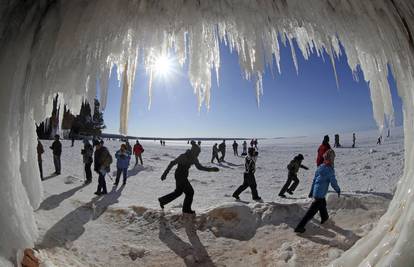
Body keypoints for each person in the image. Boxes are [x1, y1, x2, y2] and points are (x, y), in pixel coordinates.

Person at [158, 143, 219, 214]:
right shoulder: (183, 156)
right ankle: (186, 210)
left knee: (178, 192)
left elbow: (199, 167)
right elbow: (172, 163)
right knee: (190, 192)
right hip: (179, 175)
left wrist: (211, 169)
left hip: (183, 176)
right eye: (198, 152)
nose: (198, 154)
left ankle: (162, 200)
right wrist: (165, 173)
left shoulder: (194, 158)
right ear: (194, 151)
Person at [295, 149, 340, 233]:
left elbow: (314, 180)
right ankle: (299, 227)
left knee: (323, 204)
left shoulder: (320, 167)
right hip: (320, 194)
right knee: (311, 212)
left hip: (317, 192)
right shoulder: (330, 170)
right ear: (331, 159)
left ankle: (325, 218)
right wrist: (338, 189)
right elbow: (333, 182)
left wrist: (312, 191)